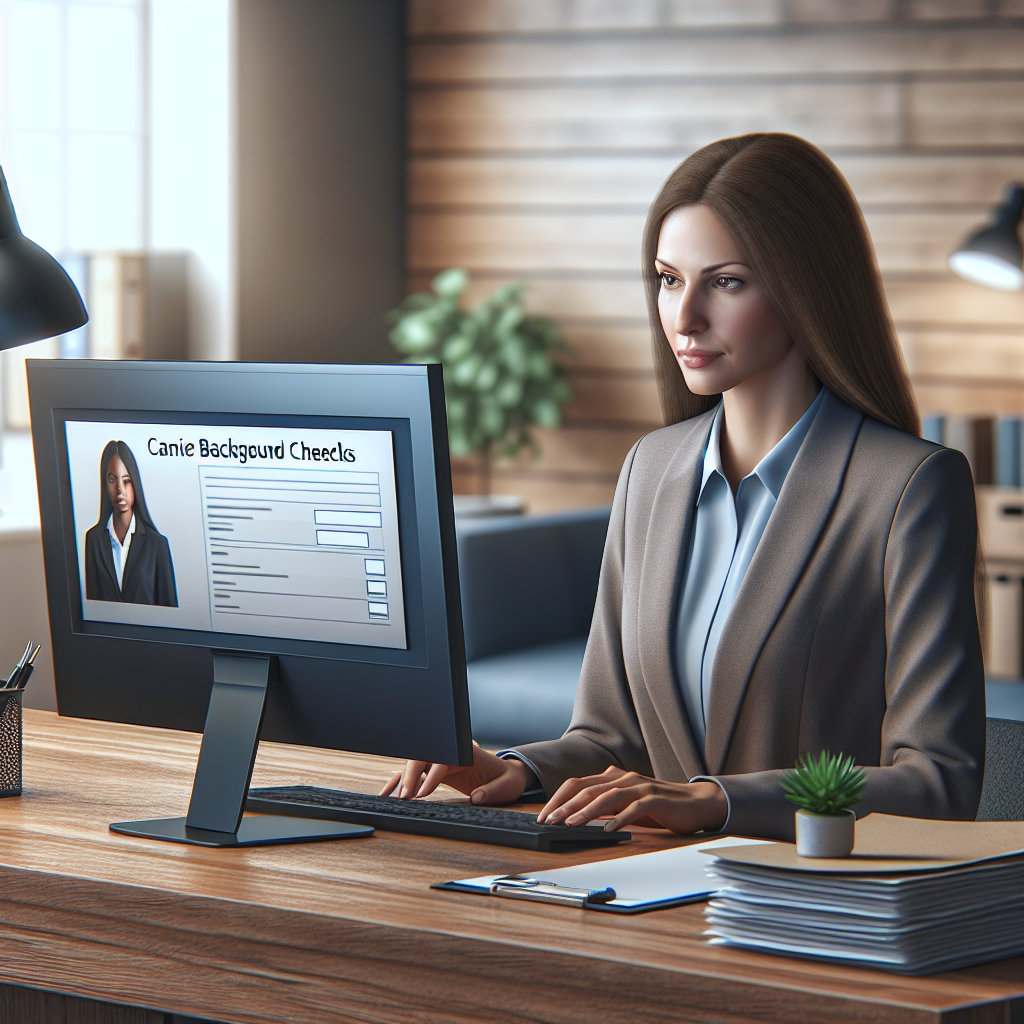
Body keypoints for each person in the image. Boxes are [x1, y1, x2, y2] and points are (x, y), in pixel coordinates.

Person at [382, 133, 986, 841]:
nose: (685, 316)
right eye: (670, 279)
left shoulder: (908, 487)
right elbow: (611, 739)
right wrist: (515, 768)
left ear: (805, 287)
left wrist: (721, 801)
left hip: (808, 903)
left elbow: (940, 781)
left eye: (725, 281)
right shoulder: (650, 468)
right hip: (644, 885)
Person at [84, 440, 178, 607]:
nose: (120, 489)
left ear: (135, 482)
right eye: (112, 479)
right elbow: (94, 609)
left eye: (126, 480)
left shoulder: (157, 544)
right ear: (104, 484)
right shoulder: (93, 539)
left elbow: (169, 612)